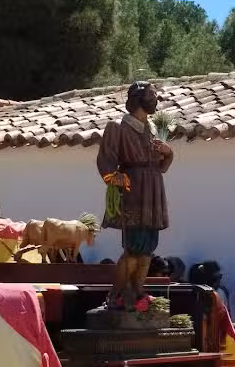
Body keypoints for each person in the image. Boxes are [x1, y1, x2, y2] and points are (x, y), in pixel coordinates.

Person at [97, 81, 174, 310]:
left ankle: (138, 291)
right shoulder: (117, 127)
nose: (156, 99)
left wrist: (168, 153)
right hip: (134, 190)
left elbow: (161, 166)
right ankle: (116, 294)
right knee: (133, 249)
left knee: (148, 249)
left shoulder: (153, 129)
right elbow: (106, 159)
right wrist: (114, 176)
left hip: (153, 191)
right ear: (139, 97)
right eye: (152, 94)